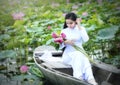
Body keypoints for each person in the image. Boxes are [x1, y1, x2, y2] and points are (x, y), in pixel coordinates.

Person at [60, 12, 98, 85]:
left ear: (75, 21)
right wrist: (66, 42)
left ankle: (91, 79)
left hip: (80, 53)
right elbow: (61, 45)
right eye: (67, 23)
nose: (69, 25)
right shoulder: (64, 31)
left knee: (84, 59)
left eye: (71, 23)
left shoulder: (80, 29)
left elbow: (86, 39)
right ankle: (79, 77)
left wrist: (79, 26)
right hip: (68, 55)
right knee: (79, 55)